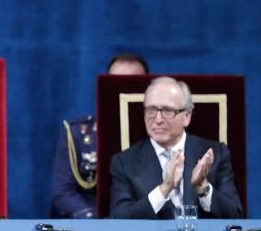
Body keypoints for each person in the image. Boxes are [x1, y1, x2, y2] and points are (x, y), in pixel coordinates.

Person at [109, 76, 242, 219]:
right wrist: (164, 189)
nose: (158, 119)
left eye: (167, 111)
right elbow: (118, 219)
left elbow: (235, 215)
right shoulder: (124, 162)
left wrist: (203, 188)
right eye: (151, 110)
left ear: (187, 116)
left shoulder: (216, 154)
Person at [51, 53, 148, 218]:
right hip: (91, 225)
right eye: (116, 84)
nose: (122, 92)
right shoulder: (77, 134)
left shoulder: (158, 134)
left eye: (131, 84)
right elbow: (63, 193)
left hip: (143, 222)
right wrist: (101, 222)